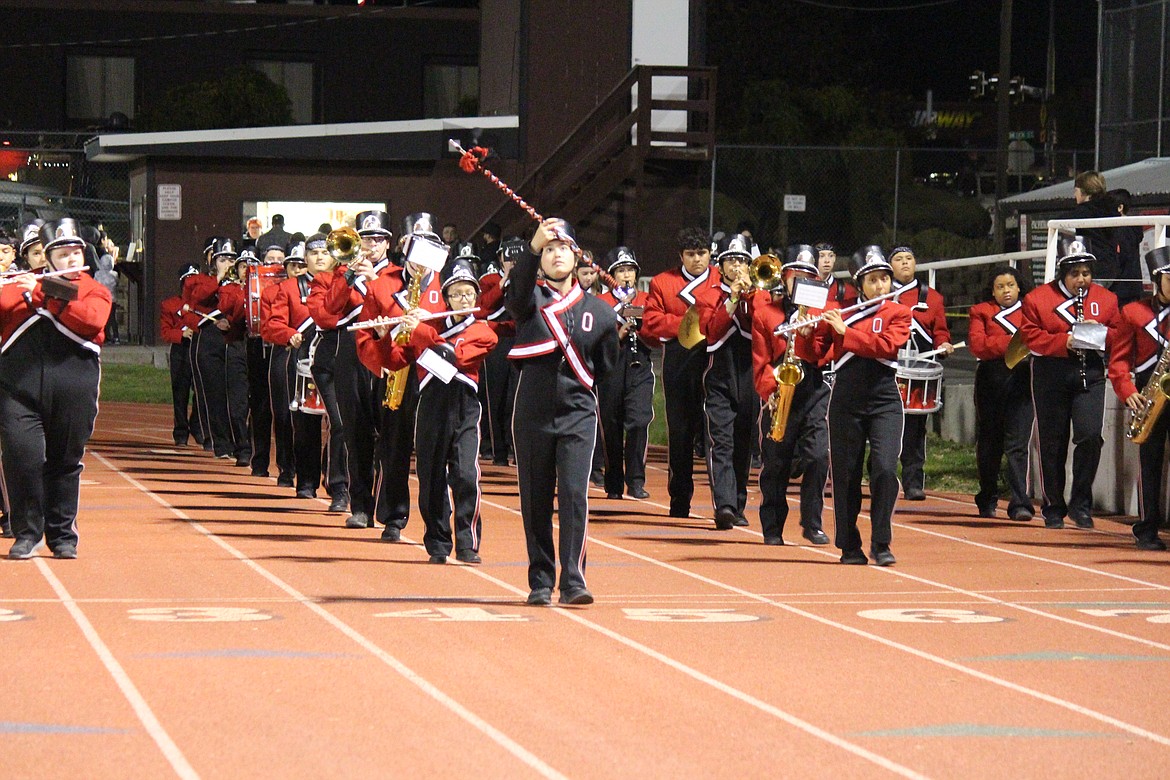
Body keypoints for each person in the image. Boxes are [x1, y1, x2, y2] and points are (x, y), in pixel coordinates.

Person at [505, 218, 618, 606]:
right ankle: (540, 579)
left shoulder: (600, 312)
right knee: (535, 497)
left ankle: (573, 579)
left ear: (577, 255)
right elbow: (515, 293)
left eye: (562, 248)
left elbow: (604, 363)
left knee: (573, 494)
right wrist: (531, 248)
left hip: (577, 413)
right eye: (549, 250)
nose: (556, 255)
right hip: (533, 411)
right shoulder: (528, 300)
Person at [361, 259, 497, 564]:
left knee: (465, 474)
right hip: (431, 405)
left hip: (464, 406)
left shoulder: (483, 332)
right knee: (430, 475)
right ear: (446, 298)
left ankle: (468, 543)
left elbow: (454, 357)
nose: (464, 300)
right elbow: (395, 361)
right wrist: (384, 334)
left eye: (469, 294)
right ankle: (437, 541)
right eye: (458, 294)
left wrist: (420, 328)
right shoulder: (430, 325)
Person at [1, 218, 112, 559]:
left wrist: (41, 292)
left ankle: (62, 535)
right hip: (18, 389)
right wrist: (31, 288)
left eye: (76, 252)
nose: (72, 260)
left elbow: (91, 318)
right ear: (47, 260)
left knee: (65, 460)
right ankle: (27, 532)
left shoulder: (95, 288)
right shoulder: (15, 283)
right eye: (62, 255)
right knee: (23, 458)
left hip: (73, 387)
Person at [1019, 234, 1122, 530]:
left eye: (1087, 273)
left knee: (1090, 437)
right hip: (1050, 373)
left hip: (1089, 372)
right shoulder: (1038, 298)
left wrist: (1099, 333)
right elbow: (1030, 338)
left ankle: (1081, 504)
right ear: (1063, 273)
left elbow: (1119, 334)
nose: (1082, 279)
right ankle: (1053, 506)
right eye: (1075, 273)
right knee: (1052, 442)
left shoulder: (1106, 299)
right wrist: (1063, 341)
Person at [355, 212, 447, 540]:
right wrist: (380, 342)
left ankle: (440, 529)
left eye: (430, 245)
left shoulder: (446, 284)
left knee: (436, 451)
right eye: (415, 245)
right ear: (405, 247)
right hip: (396, 373)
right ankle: (393, 517)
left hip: (435, 374)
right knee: (393, 447)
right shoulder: (382, 285)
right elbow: (365, 336)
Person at [819, 246, 911, 565]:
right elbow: (820, 350)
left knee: (885, 468)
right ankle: (849, 544)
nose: (880, 287)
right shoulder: (838, 311)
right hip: (846, 398)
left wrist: (847, 333)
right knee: (846, 474)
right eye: (873, 281)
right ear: (860, 286)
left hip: (884, 397)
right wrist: (807, 329)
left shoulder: (898, 313)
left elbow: (886, 347)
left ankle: (881, 542)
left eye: (884, 280)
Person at [309, 210, 395, 530]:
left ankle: (390, 510)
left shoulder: (397, 274)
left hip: (386, 348)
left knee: (389, 432)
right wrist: (347, 276)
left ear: (387, 243)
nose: (371, 245)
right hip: (351, 348)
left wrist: (374, 280)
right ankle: (360, 506)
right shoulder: (341, 273)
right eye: (365, 239)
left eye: (377, 239)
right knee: (355, 430)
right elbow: (329, 309)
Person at [750, 245, 831, 546]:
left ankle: (812, 523)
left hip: (811, 387)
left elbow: (824, 355)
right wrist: (770, 390)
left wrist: (811, 336)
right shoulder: (764, 313)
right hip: (779, 389)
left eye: (808, 277)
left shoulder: (822, 314)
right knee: (776, 463)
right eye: (795, 276)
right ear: (784, 278)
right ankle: (772, 527)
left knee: (818, 456)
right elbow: (760, 359)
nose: (801, 282)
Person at [641, 227, 714, 518]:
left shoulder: (721, 279)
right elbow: (651, 322)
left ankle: (727, 500)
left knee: (715, 431)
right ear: (681, 256)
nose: (697, 260)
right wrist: (689, 323)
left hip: (712, 359)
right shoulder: (662, 282)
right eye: (691, 254)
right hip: (678, 359)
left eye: (702, 253)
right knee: (680, 430)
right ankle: (679, 498)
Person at [694, 232, 761, 529]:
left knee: (743, 440)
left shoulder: (758, 295)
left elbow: (764, 327)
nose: (737, 266)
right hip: (719, 374)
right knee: (720, 440)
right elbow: (713, 329)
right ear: (720, 266)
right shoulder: (708, 295)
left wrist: (752, 296)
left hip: (749, 374)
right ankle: (724, 505)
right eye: (731, 260)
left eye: (742, 261)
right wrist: (733, 297)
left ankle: (739, 501)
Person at [1108, 246, 1170, 551]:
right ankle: (1147, 528)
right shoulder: (1133, 312)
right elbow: (1118, 361)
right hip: (1149, 395)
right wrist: (1127, 391)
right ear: (1158, 280)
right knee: (1150, 463)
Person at [968, 265, 1035, 520]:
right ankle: (987, 496)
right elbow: (978, 345)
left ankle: (1020, 503)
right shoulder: (981, 311)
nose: (1006, 291)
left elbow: (1038, 338)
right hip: (991, 381)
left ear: (1019, 287)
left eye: (1010, 285)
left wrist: (1004, 344)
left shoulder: (1030, 309)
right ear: (992, 291)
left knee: (1018, 443)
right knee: (990, 442)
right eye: (1000, 287)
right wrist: (1016, 343)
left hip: (1022, 380)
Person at [888, 245, 953, 500]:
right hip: (888, 369)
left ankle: (913, 480)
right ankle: (882, 476)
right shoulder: (881, 294)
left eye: (909, 258)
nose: (905, 263)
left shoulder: (932, 298)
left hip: (918, 371)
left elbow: (940, 332)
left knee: (916, 428)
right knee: (887, 426)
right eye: (899, 259)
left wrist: (944, 344)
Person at [597, 246, 654, 500]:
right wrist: (616, 333)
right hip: (611, 365)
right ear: (611, 276)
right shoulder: (600, 302)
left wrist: (641, 327)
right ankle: (614, 483)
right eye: (621, 270)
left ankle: (636, 479)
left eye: (630, 269)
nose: (626, 275)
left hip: (638, 363)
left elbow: (654, 330)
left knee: (639, 419)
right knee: (611, 424)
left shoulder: (645, 299)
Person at [182, 237, 237, 460]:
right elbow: (196, 298)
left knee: (236, 394)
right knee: (211, 393)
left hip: (233, 338)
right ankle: (217, 441)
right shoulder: (198, 280)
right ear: (213, 260)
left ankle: (239, 441)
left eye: (232, 259)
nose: (228, 263)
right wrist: (219, 277)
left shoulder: (238, 281)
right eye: (223, 259)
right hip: (208, 338)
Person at [476, 237, 524, 467]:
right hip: (496, 341)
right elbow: (483, 307)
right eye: (509, 256)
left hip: (520, 339)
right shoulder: (490, 279)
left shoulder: (530, 280)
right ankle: (496, 450)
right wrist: (505, 280)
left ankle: (516, 446)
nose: (513, 261)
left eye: (518, 256)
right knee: (494, 396)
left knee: (515, 398)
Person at [161, 264, 202, 446]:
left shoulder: (205, 307)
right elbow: (165, 332)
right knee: (180, 393)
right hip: (181, 351)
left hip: (199, 350)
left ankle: (197, 425)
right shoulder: (170, 305)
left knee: (201, 392)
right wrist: (181, 334)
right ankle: (180, 432)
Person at [1065, 171, 1120, 291]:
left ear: (1085, 192)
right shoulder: (1111, 209)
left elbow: (1059, 222)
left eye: (1076, 191)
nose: (1075, 195)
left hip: (1094, 269)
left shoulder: (1085, 211)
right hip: (1111, 269)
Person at [1108, 188, 1144, 307]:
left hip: (1120, 289)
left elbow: (1121, 256)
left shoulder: (1121, 229)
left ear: (1120, 207)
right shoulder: (1133, 228)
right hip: (1132, 286)